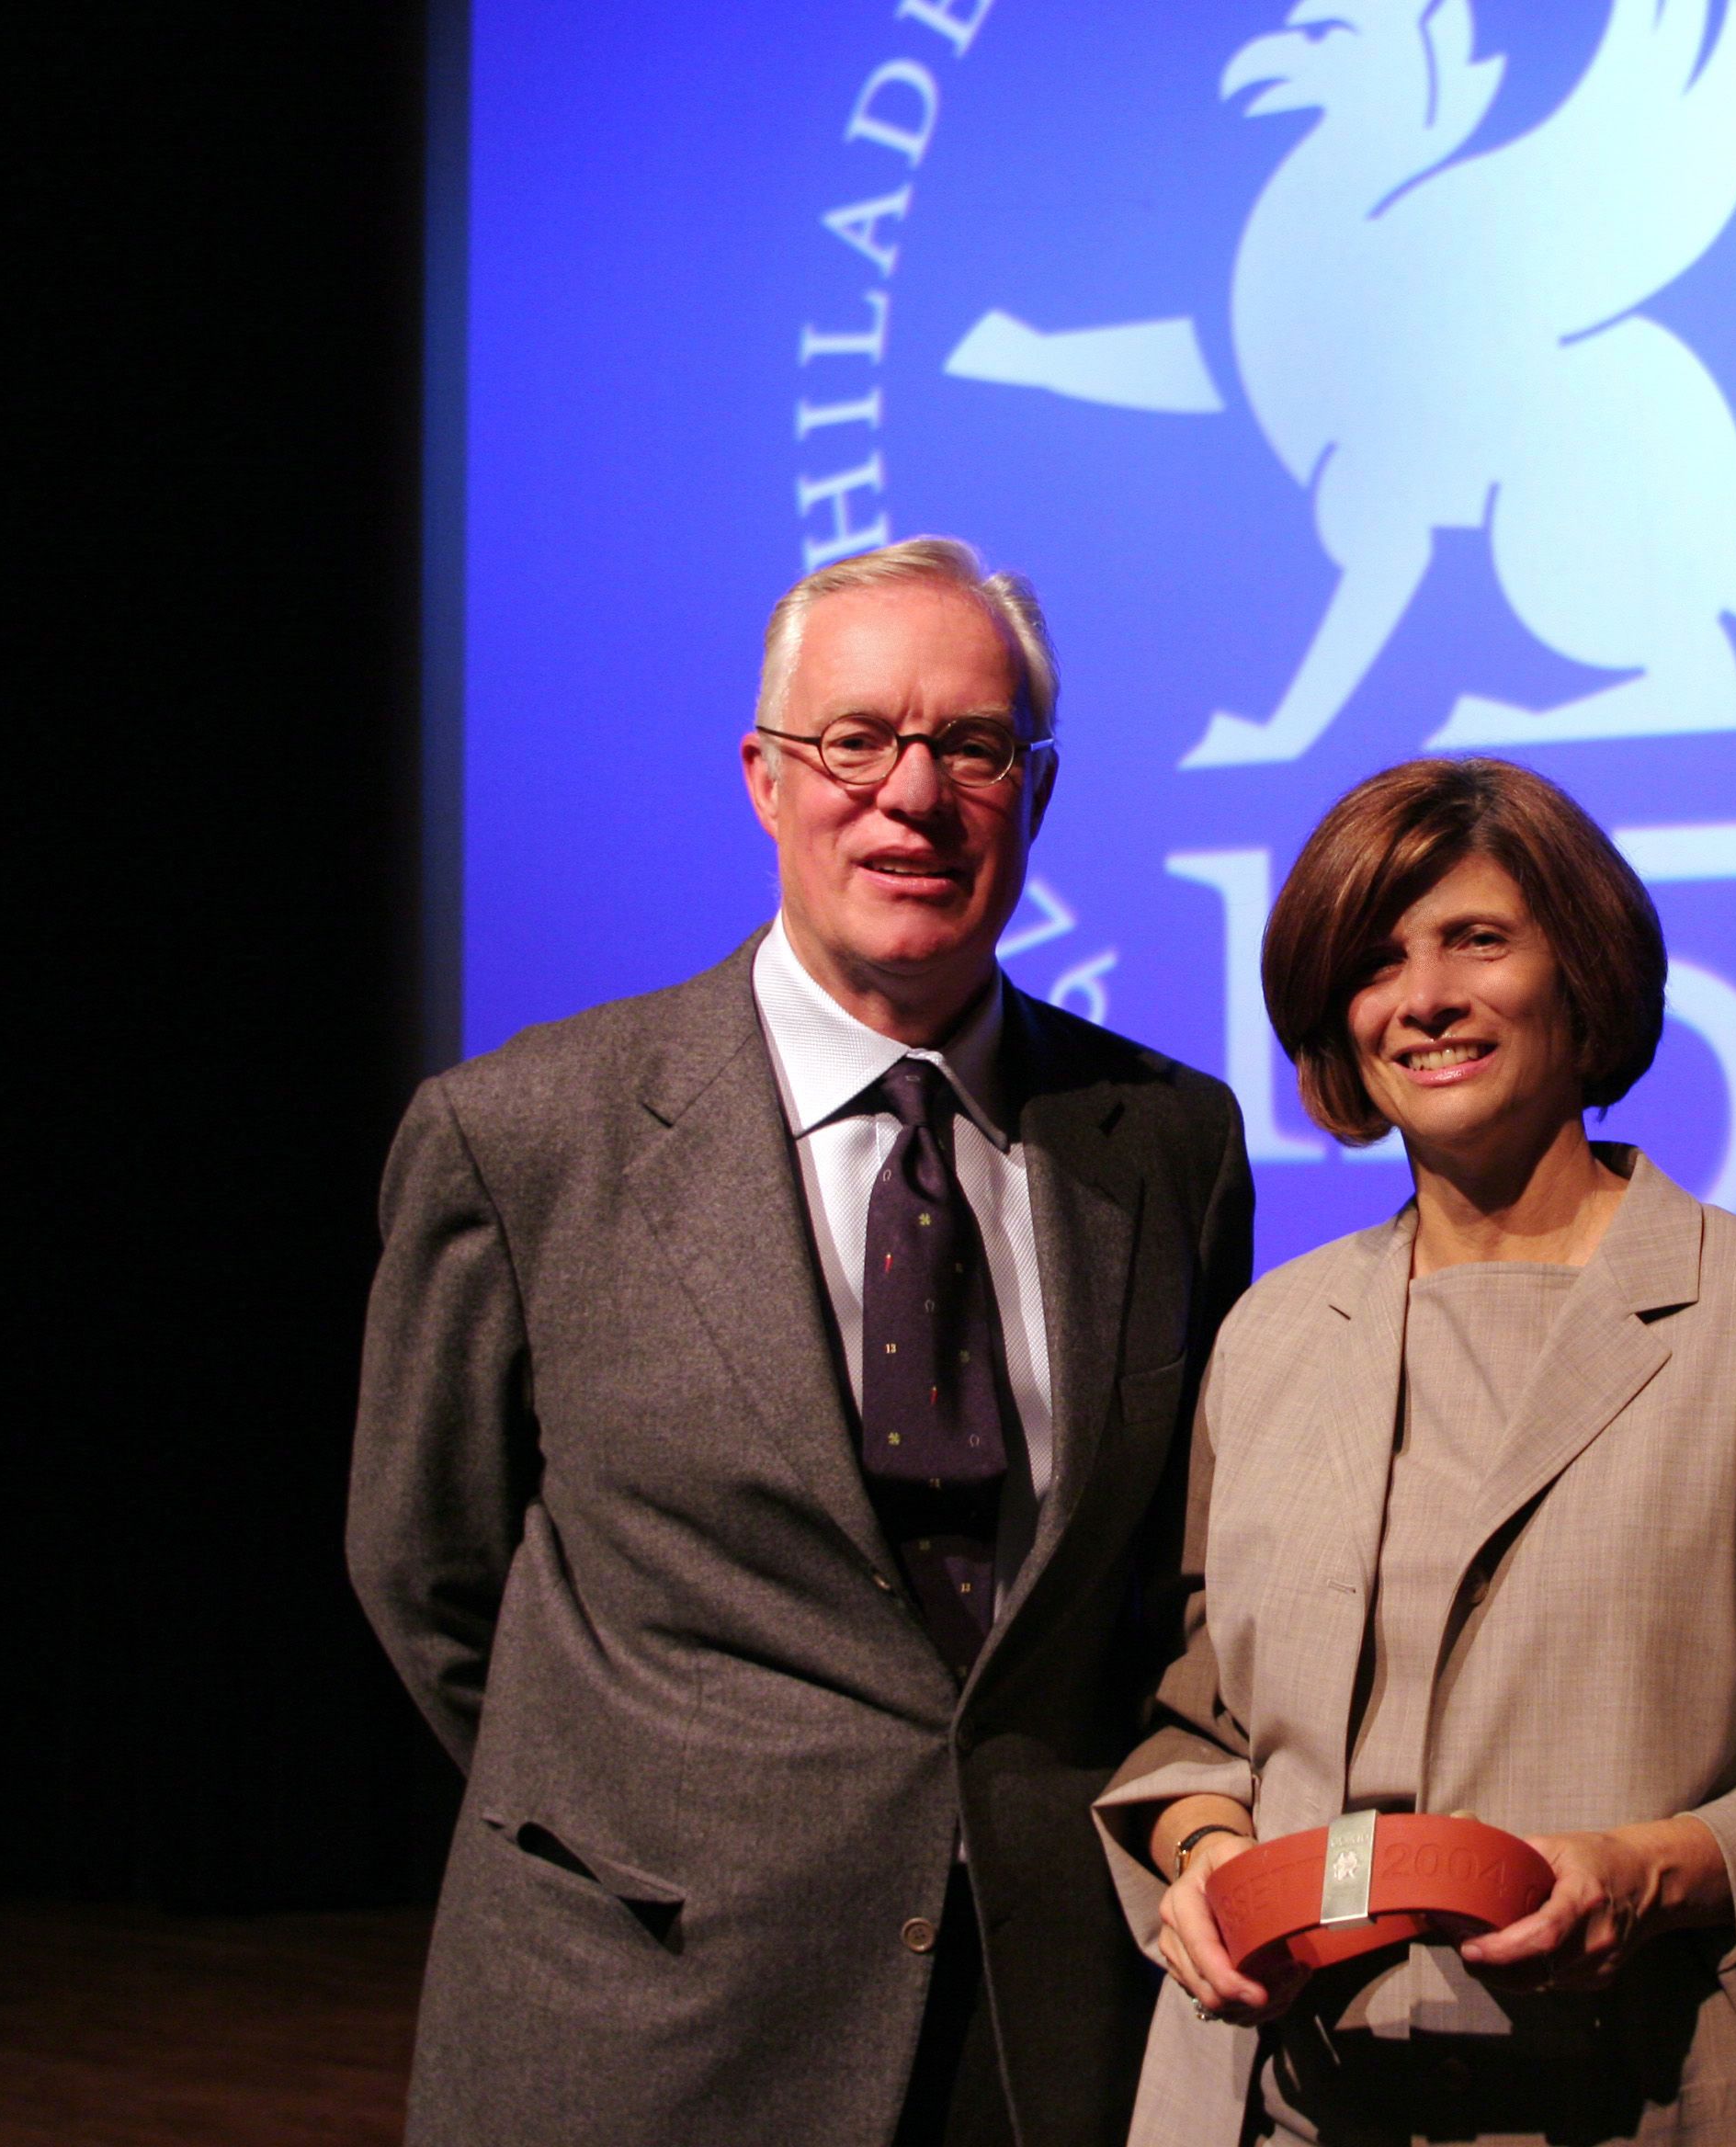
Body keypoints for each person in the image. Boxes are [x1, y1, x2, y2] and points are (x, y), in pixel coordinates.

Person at [350, 538, 1253, 2147]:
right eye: (856, 741)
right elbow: (428, 1571)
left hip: (1041, 2014)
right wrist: (644, 1807)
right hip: (649, 2001)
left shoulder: (1169, 1143)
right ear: (765, 781)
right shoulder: (527, 1134)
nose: (914, 795)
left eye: (973, 747)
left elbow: (1165, 1574)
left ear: (1038, 793)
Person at [1091, 756, 1736, 2144]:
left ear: (1585, 972)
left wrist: (1650, 1873)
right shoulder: (1272, 1337)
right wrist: (1203, 1860)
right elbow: (1202, 1732)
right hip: (1283, 2104)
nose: (1425, 997)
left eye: (1477, 941)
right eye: (1376, 961)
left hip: (1638, 2097)